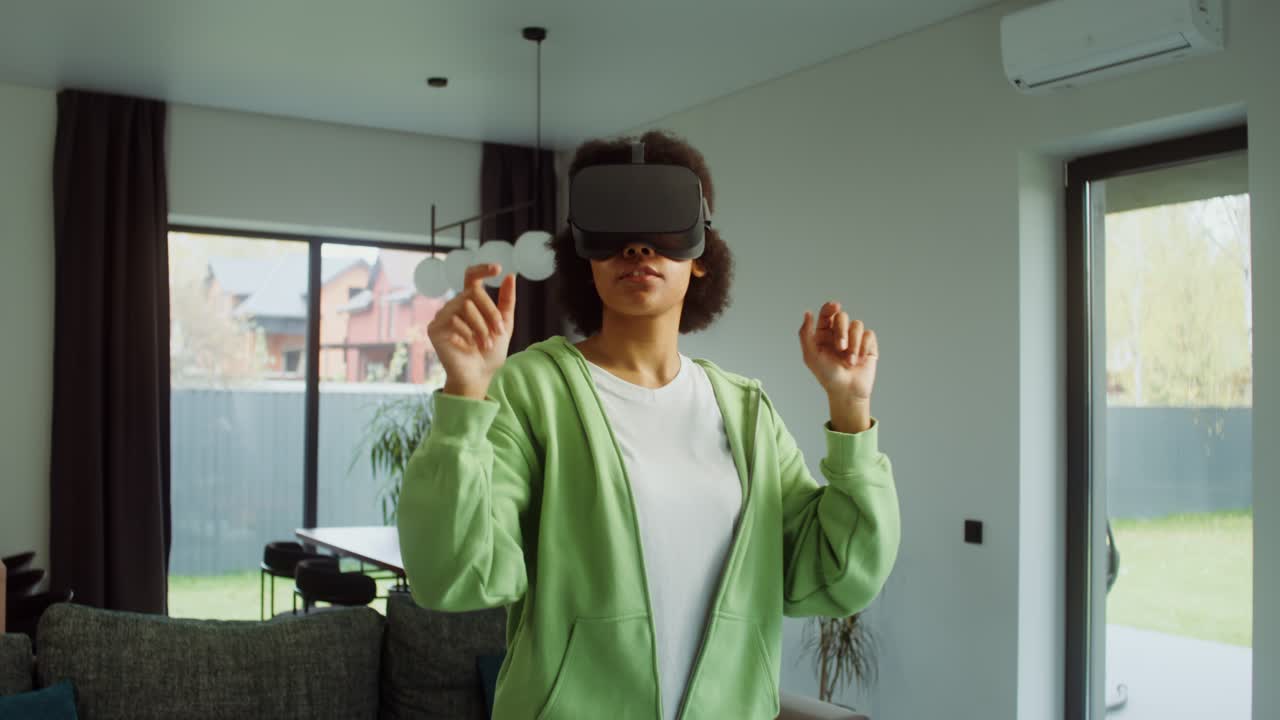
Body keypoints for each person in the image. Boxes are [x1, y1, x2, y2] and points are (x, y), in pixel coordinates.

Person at [398, 130, 900, 720]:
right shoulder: (534, 390)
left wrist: (850, 407)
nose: (637, 248)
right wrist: (465, 393)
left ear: (702, 256)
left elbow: (838, 576)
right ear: (583, 256)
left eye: (663, 226)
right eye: (612, 230)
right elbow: (454, 575)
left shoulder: (746, 411)